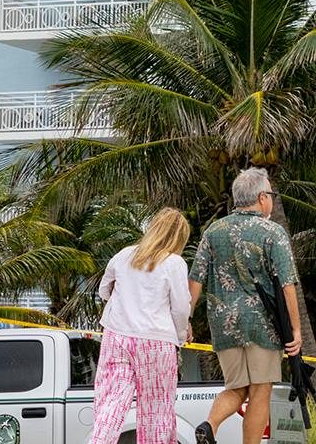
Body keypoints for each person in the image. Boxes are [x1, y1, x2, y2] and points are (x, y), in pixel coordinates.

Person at [192, 167, 301, 444]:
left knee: (236, 389)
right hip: (263, 326)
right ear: (262, 197)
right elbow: (287, 283)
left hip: (223, 324)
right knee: (260, 391)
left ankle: (210, 425)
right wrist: (296, 331)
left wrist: (186, 319)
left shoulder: (213, 231)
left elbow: (196, 279)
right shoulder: (272, 232)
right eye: (271, 194)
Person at [88, 208, 194, 444]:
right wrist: (179, 337)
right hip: (157, 341)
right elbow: (180, 308)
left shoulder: (124, 255)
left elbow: (104, 290)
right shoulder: (174, 263)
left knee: (111, 403)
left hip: (117, 336)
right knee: (157, 412)